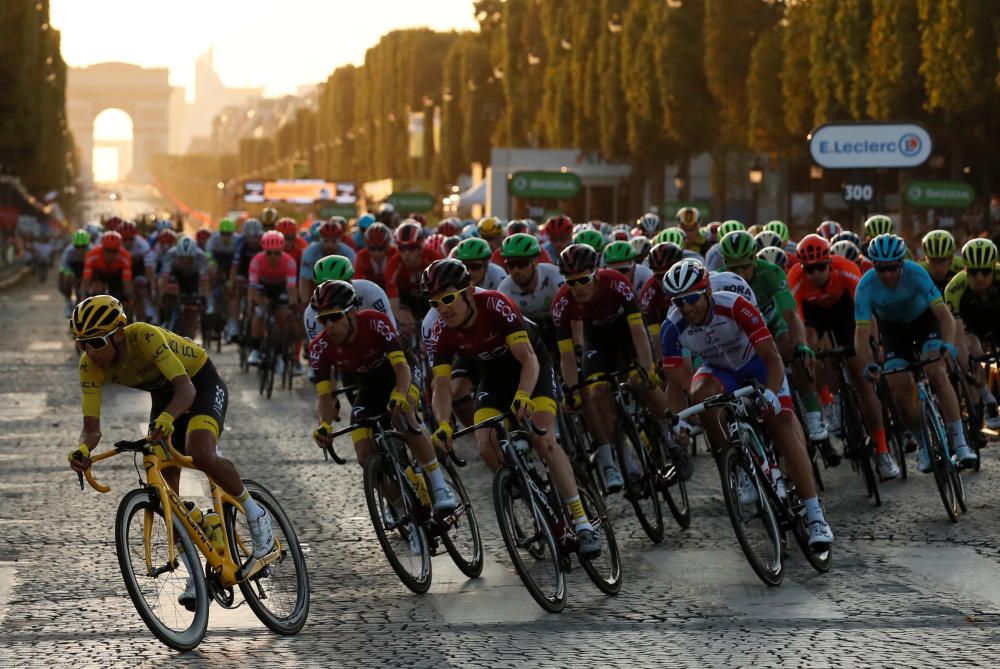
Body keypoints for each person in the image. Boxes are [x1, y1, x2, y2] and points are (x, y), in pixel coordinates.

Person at [66, 295, 275, 608]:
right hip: (164, 396)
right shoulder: (89, 365)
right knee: (168, 500)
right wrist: (83, 448)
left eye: (95, 342)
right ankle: (198, 570)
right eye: (81, 343)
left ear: (119, 334)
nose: (88, 351)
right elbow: (92, 428)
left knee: (200, 452)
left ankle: (258, 518)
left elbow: (187, 390)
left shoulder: (145, 336)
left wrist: (167, 418)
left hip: (198, 382)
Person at [423, 258, 602, 559]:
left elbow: (529, 360)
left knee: (544, 440)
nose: (443, 308)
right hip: (493, 379)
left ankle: (582, 522)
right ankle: (524, 488)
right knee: (485, 446)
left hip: (532, 369)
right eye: (435, 302)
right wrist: (442, 424)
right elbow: (440, 387)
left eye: (449, 298)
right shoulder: (443, 331)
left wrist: (523, 395)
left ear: (468, 290)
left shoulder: (495, 304)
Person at [659, 261, 834, 549]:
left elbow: (773, 358)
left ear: (707, 292)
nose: (686, 308)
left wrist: (772, 394)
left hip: (757, 365)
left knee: (783, 424)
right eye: (678, 302)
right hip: (718, 370)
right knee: (702, 395)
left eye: (691, 299)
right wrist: (678, 421)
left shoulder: (735, 305)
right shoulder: (672, 326)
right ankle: (738, 464)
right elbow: (675, 382)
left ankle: (816, 517)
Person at [308, 281, 458, 519]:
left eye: (334, 317)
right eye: (322, 320)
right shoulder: (320, 347)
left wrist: (399, 394)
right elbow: (325, 395)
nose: (329, 326)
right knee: (364, 456)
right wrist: (324, 424)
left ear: (352, 312)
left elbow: (401, 368)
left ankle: (440, 487)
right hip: (368, 386)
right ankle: (401, 507)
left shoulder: (375, 321)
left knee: (403, 415)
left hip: (401, 373)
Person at [553, 244, 692, 492]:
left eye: (583, 280)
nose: (578, 288)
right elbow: (566, 354)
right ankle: (621, 462)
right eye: (571, 282)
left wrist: (648, 367)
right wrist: (572, 389)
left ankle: (673, 441)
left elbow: (638, 330)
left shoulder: (615, 282)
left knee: (640, 382)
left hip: (626, 334)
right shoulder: (562, 301)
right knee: (594, 392)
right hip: (597, 340)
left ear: (595, 273)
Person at [854, 234, 976, 472]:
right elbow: (861, 333)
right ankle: (922, 444)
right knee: (898, 387)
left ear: (901, 263)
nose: (887, 274)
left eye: (892, 268)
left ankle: (961, 444)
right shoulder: (865, 286)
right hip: (893, 333)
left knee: (937, 372)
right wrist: (868, 363)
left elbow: (944, 316)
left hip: (925, 324)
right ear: (874, 265)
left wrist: (948, 344)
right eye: (881, 269)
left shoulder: (917, 273)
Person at [720, 231, 840, 464]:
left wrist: (802, 345)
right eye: (733, 269)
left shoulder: (770, 273)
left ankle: (815, 422)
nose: (739, 274)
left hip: (775, 327)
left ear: (754, 259)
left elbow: (790, 313)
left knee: (797, 354)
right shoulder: (720, 280)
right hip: (744, 336)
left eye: (744, 267)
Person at [787, 234, 900, 479]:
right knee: (811, 349)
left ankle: (882, 451)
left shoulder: (846, 269)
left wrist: (872, 342)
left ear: (830, 262)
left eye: (820, 267)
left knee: (862, 379)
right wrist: (804, 349)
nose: (815, 274)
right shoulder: (795, 278)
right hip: (814, 316)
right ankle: (829, 402)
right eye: (810, 269)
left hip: (847, 313)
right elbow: (795, 319)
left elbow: (866, 311)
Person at [943, 238, 1000, 429]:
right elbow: (958, 335)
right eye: (974, 272)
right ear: (965, 269)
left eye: (986, 271)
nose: (980, 277)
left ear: (994, 267)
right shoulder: (954, 288)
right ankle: (987, 399)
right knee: (968, 349)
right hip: (971, 324)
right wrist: (966, 363)